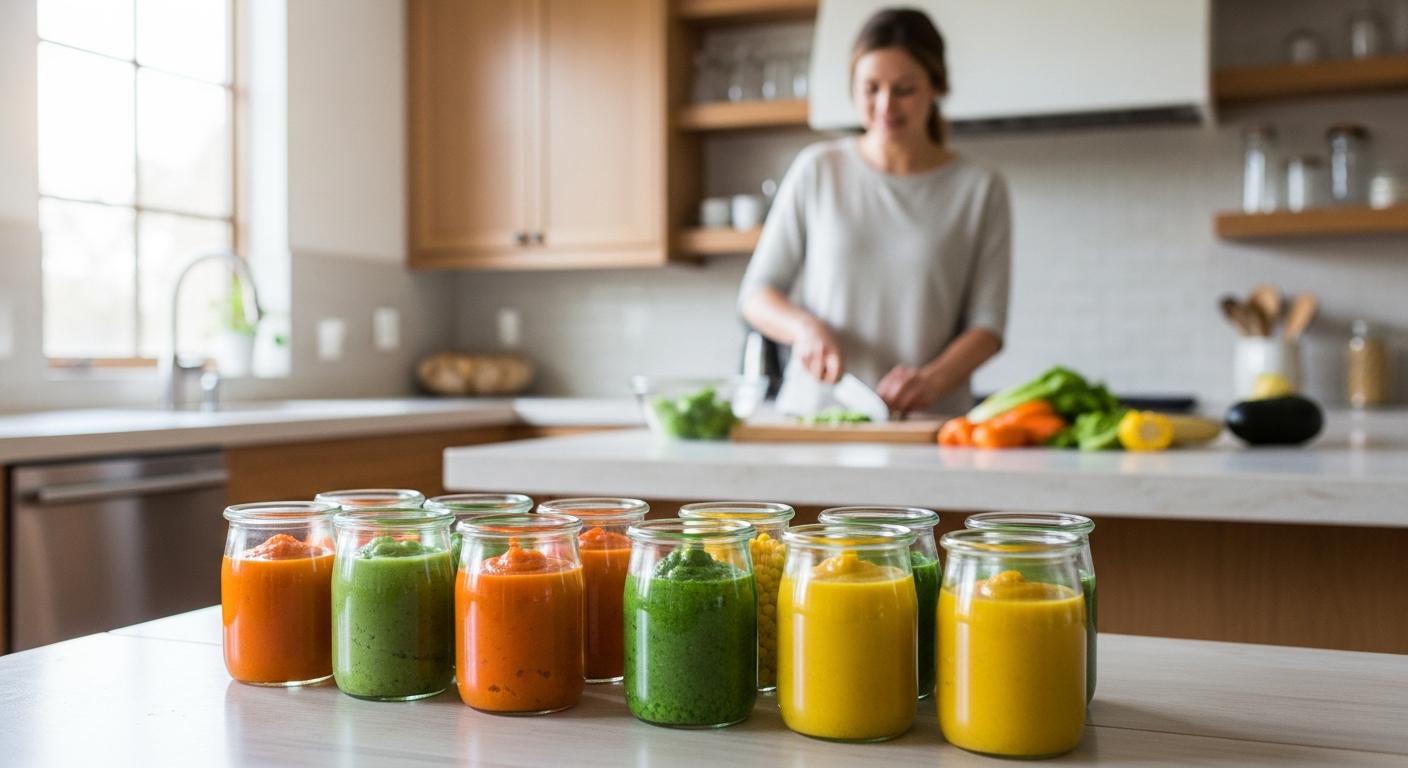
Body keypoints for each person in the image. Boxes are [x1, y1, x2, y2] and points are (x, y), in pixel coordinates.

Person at [738, 7, 1011, 415]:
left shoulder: (980, 187)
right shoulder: (818, 170)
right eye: (871, 88)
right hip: (819, 415)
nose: (886, 104)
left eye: (904, 89)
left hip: (927, 424)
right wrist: (804, 329)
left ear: (935, 88)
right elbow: (757, 295)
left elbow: (987, 326)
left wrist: (933, 380)